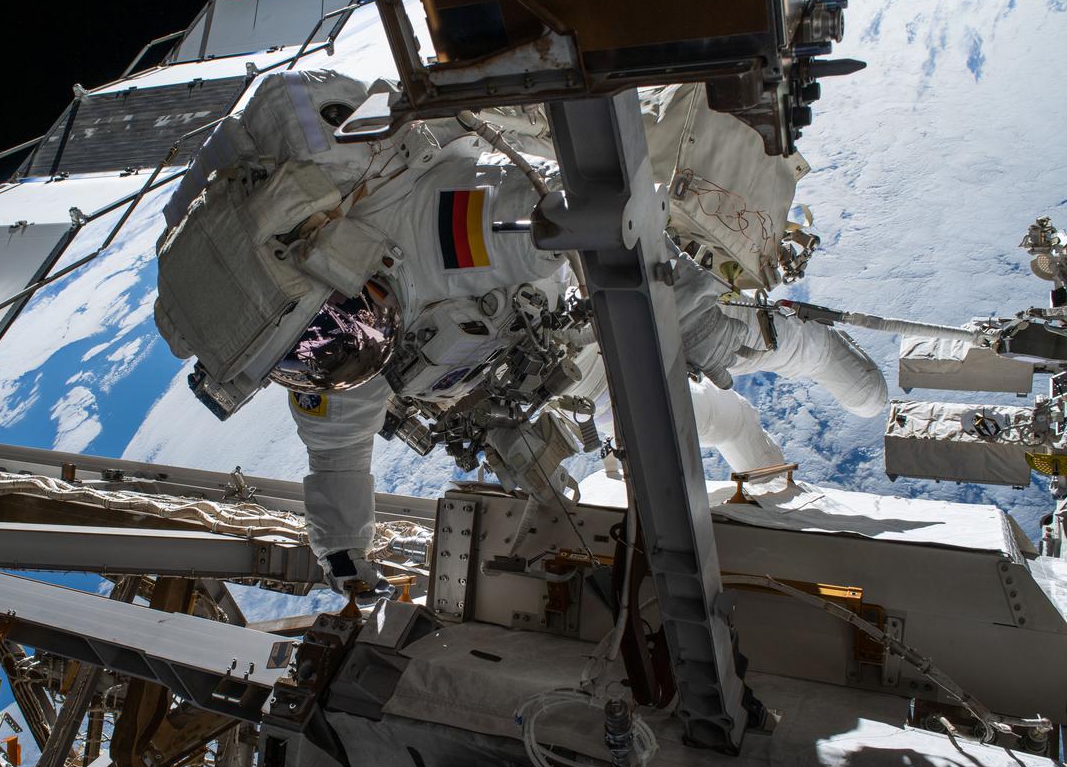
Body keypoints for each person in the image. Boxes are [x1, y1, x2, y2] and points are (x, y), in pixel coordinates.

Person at [154, 70, 887, 601]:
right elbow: (337, 461)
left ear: (341, 262)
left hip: (580, 317)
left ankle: (811, 351)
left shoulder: (445, 231)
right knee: (653, 420)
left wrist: (693, 317)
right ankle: (752, 449)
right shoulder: (323, 366)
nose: (331, 355)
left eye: (332, 330)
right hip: (543, 363)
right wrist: (344, 555)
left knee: (731, 344)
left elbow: (575, 220)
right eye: (304, 359)